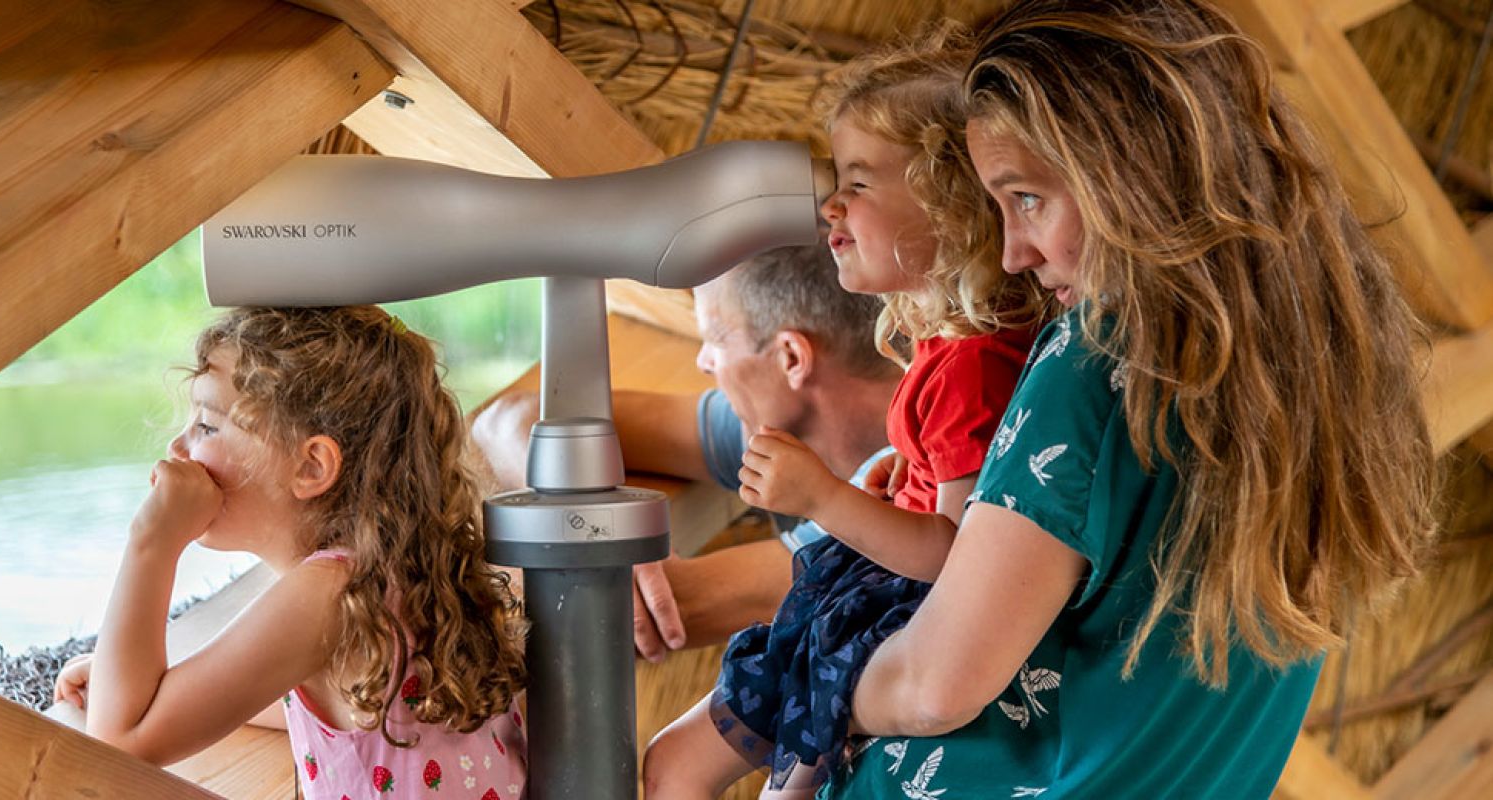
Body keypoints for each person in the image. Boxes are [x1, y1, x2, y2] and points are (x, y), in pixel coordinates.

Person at [824, 2, 1437, 797]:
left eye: (1027, 199)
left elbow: (934, 686)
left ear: (1120, 169)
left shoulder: (1095, 357)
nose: (1013, 252)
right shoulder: (1327, 380)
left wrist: (808, 694)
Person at [643, 22, 1043, 798]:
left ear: (946, 204)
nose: (831, 208)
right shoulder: (951, 350)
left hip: (900, 611)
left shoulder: (969, 368)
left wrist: (826, 499)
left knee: (689, 768)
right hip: (879, 597)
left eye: (858, 184)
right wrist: (915, 471)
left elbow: (954, 560)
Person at [54, 306, 528, 799]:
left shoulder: (327, 594)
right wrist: (139, 678)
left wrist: (151, 540)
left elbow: (118, 741)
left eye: (207, 426)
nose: (178, 447)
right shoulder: (389, 570)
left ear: (312, 466)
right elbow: (256, 688)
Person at [471, 243, 904, 662]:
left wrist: (593, 549)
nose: (703, 363)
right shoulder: (787, 420)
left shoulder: (902, 495)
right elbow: (505, 420)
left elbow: (656, 609)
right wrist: (589, 522)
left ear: (791, 357)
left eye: (716, 340)